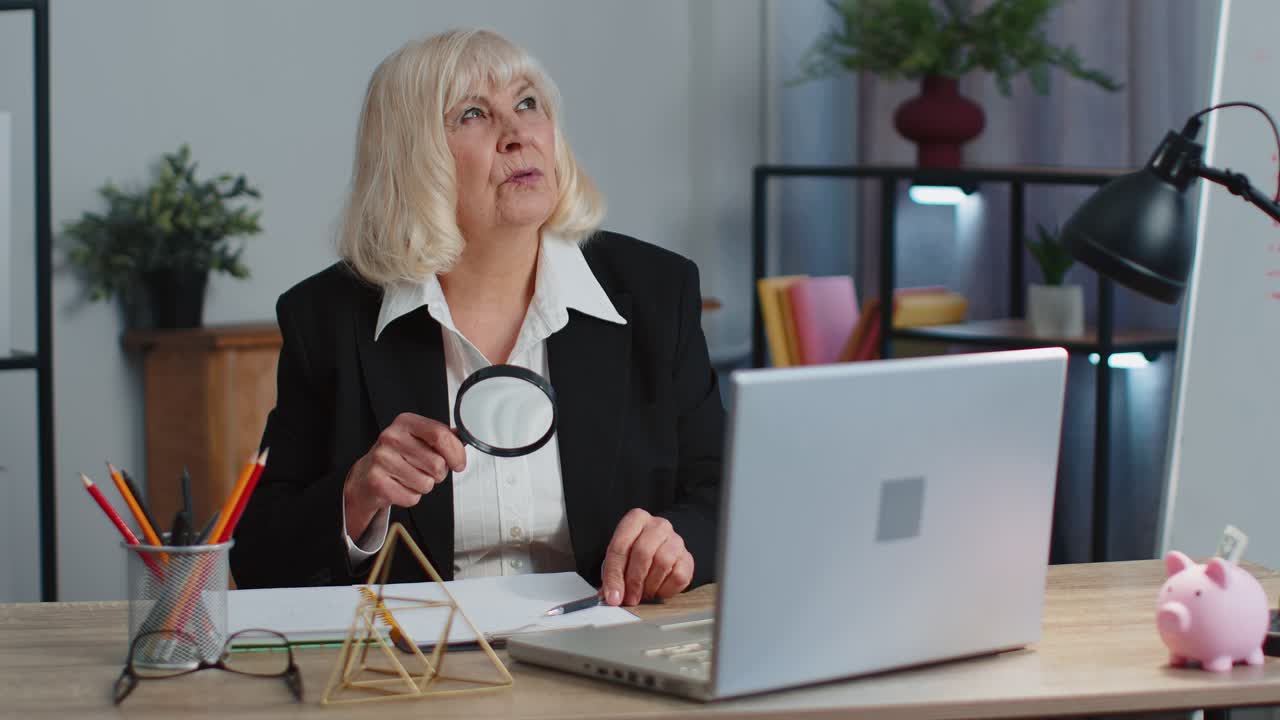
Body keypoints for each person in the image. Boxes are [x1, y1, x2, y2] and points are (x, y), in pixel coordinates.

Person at [229, 29, 724, 608]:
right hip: (423, 674)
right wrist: (354, 498)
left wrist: (677, 541)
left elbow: (726, 495)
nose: (517, 135)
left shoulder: (654, 292)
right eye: (472, 114)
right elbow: (258, 558)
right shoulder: (327, 318)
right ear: (412, 158)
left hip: (610, 654)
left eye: (527, 103)